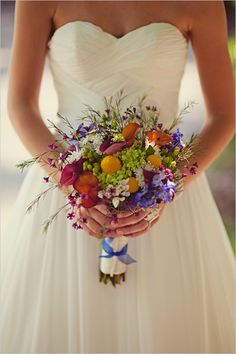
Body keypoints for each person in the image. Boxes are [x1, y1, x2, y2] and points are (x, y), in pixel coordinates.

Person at [1, 1, 235, 353]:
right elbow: (21, 105)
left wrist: (166, 191)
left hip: (167, 198)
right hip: (68, 195)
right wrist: (72, 185)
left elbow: (225, 114)